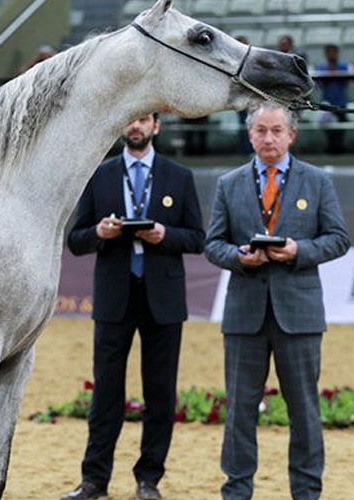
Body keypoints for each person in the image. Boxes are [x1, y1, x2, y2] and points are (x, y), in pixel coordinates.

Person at [204, 102, 350, 500]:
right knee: (239, 413)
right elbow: (212, 244)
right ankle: (236, 491)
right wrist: (238, 257)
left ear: (291, 135)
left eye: (276, 130)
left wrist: (298, 251)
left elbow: (339, 238)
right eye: (261, 131)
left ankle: (306, 492)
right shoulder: (228, 183)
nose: (269, 138)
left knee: (304, 410)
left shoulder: (317, 181)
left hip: (299, 315)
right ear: (249, 135)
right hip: (244, 315)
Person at [63, 113, 205, 500]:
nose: (136, 127)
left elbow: (197, 238)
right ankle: (94, 480)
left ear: (156, 126)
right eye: (131, 120)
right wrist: (99, 232)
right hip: (114, 298)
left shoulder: (179, 176)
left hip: (164, 299)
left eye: (143, 120)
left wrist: (164, 235)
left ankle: (149, 479)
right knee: (106, 392)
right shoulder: (101, 174)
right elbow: (75, 240)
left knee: (160, 393)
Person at [314, 44, 350, 155]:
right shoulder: (321, 67)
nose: (331, 54)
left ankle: (341, 149)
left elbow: (346, 83)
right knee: (328, 128)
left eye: (333, 52)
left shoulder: (343, 66)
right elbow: (318, 84)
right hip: (327, 101)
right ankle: (330, 149)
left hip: (341, 101)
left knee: (341, 127)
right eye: (329, 52)